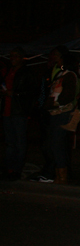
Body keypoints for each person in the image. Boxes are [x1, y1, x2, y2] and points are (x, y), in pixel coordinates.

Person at [43, 48, 80, 184]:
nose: (56, 60)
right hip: (54, 112)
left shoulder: (70, 75)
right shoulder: (60, 74)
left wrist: (56, 103)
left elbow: (68, 95)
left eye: (59, 58)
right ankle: (59, 173)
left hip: (62, 112)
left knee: (57, 143)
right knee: (53, 143)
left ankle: (62, 174)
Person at [1, 47, 36, 181]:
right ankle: (8, 168)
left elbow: (31, 92)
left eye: (15, 56)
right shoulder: (8, 72)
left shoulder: (26, 72)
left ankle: (16, 169)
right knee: (10, 143)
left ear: (21, 57)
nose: (13, 59)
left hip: (19, 111)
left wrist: (15, 94)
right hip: (8, 111)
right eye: (11, 56)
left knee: (19, 142)